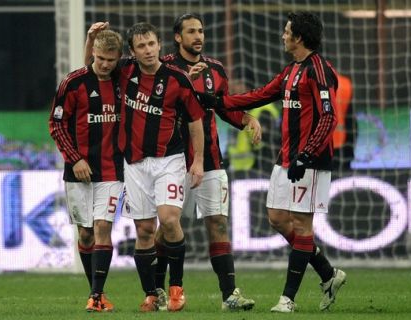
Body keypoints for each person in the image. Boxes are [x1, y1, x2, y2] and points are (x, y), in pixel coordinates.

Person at [199, 11, 347, 313]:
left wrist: (306, 156)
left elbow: (329, 117)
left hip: (311, 161)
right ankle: (329, 274)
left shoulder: (319, 70)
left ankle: (287, 300)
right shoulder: (292, 69)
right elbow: (261, 94)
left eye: (287, 31)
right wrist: (219, 102)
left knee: (303, 226)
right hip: (286, 159)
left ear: (299, 37)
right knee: (277, 218)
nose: (283, 35)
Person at [85, 22, 205, 312]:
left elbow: (195, 122)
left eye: (152, 44)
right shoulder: (125, 71)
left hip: (169, 160)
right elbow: (92, 67)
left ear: (159, 45)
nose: (148, 50)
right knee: (143, 231)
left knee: (170, 219)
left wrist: (198, 160)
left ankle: (176, 288)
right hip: (135, 164)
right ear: (133, 52)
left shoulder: (177, 78)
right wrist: (91, 39)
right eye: (141, 46)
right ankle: (152, 294)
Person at [156, 13, 260, 311]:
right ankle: (158, 291)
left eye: (201, 31)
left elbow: (223, 105)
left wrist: (245, 118)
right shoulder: (163, 68)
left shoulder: (215, 68)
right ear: (178, 37)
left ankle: (230, 295)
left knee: (218, 222)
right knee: (167, 225)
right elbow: (159, 106)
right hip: (172, 159)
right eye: (191, 31)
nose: (198, 36)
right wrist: (187, 81)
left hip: (210, 158)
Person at [49, 29, 124, 312]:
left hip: (112, 169)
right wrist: (75, 158)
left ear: (118, 58)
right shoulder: (73, 83)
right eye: (101, 58)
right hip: (78, 170)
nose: (105, 64)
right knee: (86, 233)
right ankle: (96, 292)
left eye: (111, 60)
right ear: (92, 53)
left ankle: (96, 295)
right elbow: (56, 124)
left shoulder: (122, 81)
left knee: (104, 227)